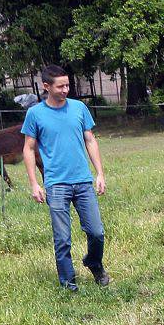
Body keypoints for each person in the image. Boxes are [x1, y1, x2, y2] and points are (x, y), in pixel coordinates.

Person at [22, 64, 109, 292]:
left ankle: (93, 262)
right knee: (62, 237)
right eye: (60, 86)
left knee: (96, 232)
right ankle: (68, 281)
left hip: (82, 181)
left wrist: (99, 173)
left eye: (67, 85)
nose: (65, 90)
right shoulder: (35, 114)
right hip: (56, 184)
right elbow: (29, 149)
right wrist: (34, 183)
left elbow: (90, 140)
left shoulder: (79, 108)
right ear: (46, 86)